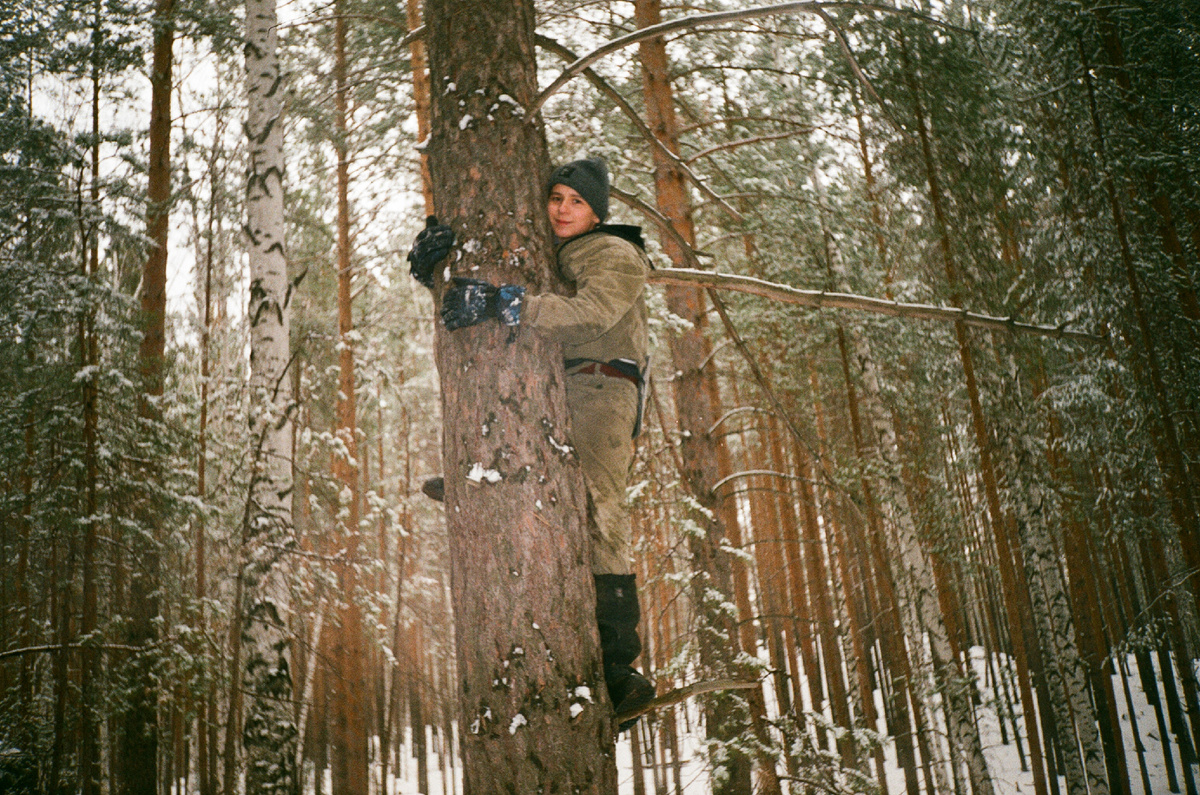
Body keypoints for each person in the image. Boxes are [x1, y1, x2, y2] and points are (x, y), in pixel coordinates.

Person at [407, 156, 655, 729]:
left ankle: (621, 670)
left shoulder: (615, 253)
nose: (563, 210)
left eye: (577, 202)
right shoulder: (556, 252)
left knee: (597, 508)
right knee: (528, 449)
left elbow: (591, 314)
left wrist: (505, 303)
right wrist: (435, 267)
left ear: (598, 212)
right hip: (560, 381)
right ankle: (485, 477)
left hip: (604, 384)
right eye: (556, 198)